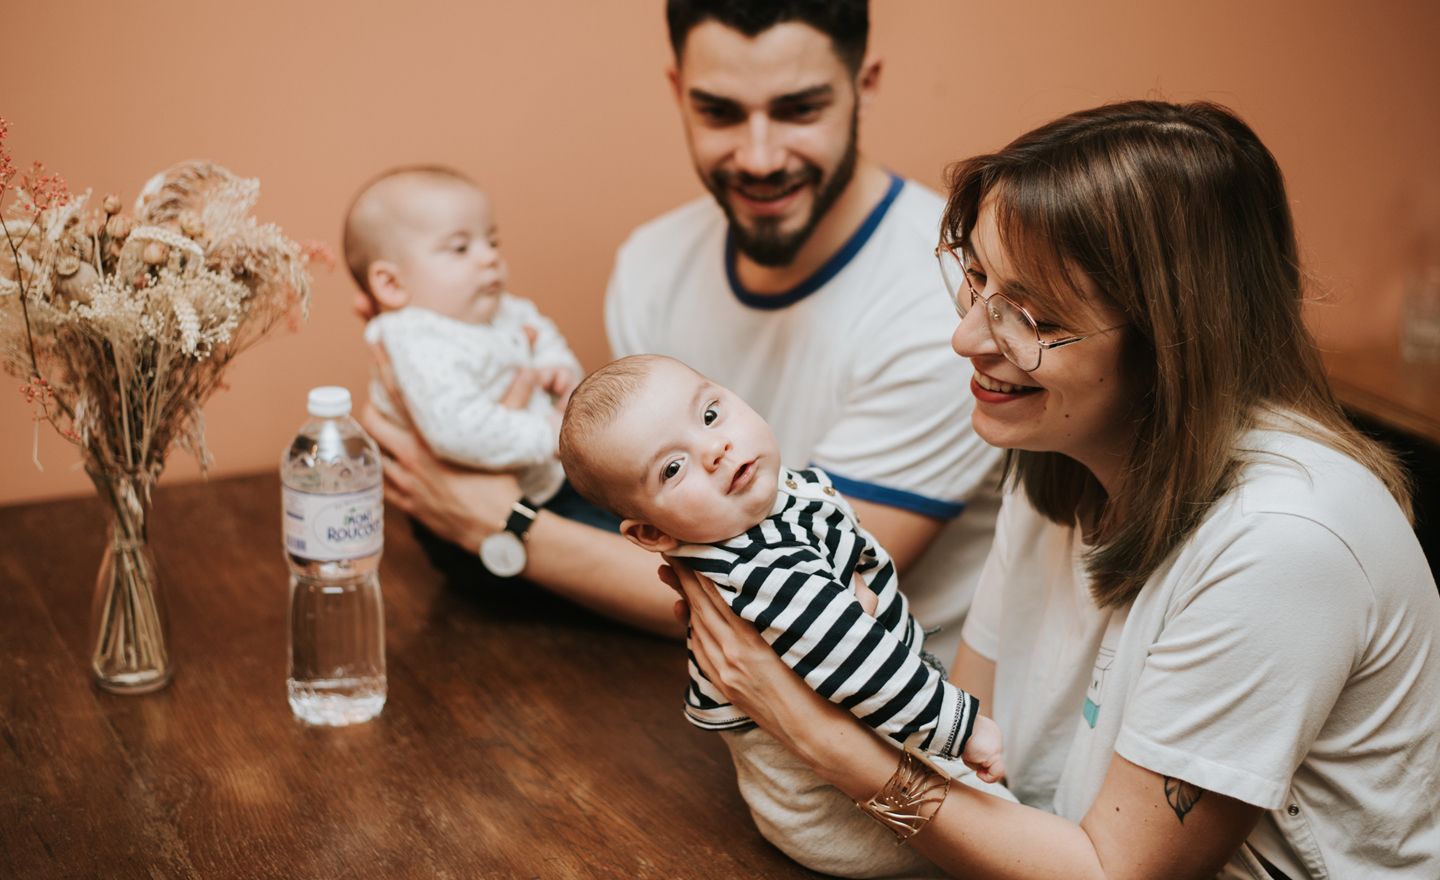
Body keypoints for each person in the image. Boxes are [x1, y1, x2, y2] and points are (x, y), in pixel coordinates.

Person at [671, 100, 1440, 879]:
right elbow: (970, 753)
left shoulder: (1285, 543)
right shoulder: (1057, 458)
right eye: (974, 280)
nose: (968, 337)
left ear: (1173, 340)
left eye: (1030, 315)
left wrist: (812, 731)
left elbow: (1115, 872)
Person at [360, 0, 1003, 653]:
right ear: (678, 92)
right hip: (694, 690)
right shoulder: (653, 266)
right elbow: (650, 512)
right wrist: (445, 344)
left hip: (904, 727)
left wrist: (499, 524)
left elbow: (814, 595)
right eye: (719, 112)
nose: (758, 157)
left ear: (864, 84)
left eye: (799, 109)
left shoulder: (952, 307)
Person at [557, 352, 1007, 877]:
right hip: (832, 812)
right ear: (654, 535)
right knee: (988, 839)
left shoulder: (767, 503)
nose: (714, 449)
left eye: (709, 415)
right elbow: (859, 662)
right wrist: (961, 727)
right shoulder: (758, 567)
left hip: (872, 745)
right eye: (673, 468)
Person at [343, 167, 580, 508]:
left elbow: (540, 331)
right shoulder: (416, 337)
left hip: (546, 477)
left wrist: (555, 364)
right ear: (392, 284)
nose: (490, 256)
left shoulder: (497, 306)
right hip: (469, 507)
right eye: (460, 248)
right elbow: (456, 430)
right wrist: (552, 436)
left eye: (493, 241)